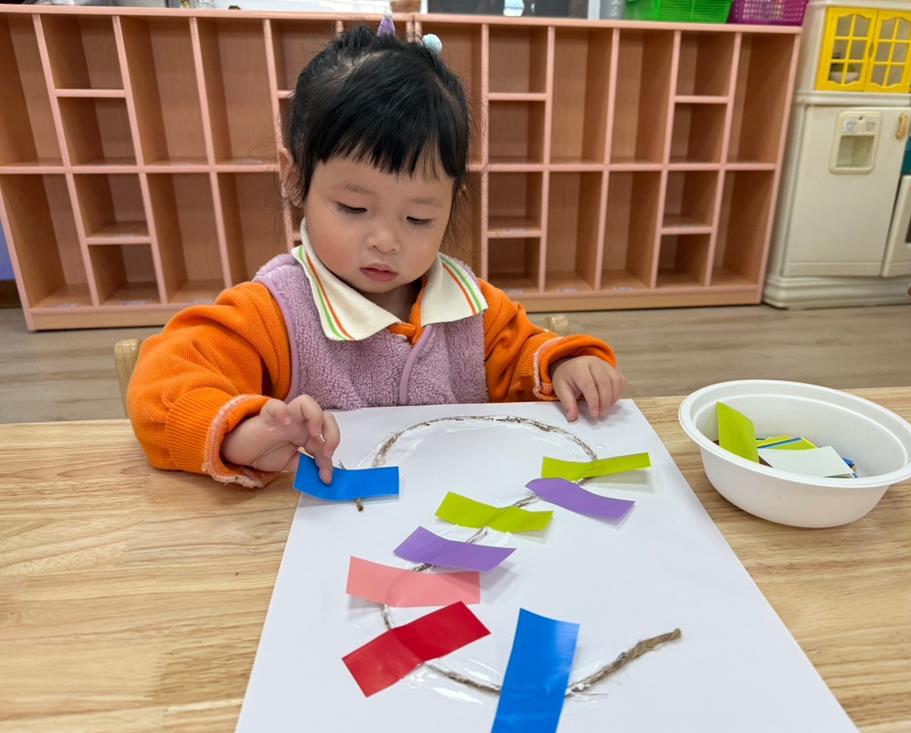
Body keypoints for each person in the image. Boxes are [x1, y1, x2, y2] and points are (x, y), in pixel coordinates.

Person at [127, 22, 625, 489]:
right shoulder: (274, 312)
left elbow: (526, 359)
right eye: (354, 207)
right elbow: (161, 388)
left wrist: (565, 365)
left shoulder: (472, 307)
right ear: (295, 178)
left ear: (453, 201)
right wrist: (237, 432)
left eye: (419, 218)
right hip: (327, 529)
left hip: (451, 518)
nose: (386, 241)